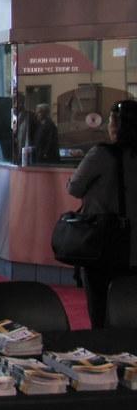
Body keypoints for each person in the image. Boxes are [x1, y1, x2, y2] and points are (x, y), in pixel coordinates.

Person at [66, 100, 137, 328]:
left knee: (100, 303)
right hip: (135, 247)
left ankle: (105, 352)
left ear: (114, 125)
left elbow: (75, 188)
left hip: (105, 243)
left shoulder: (102, 155)